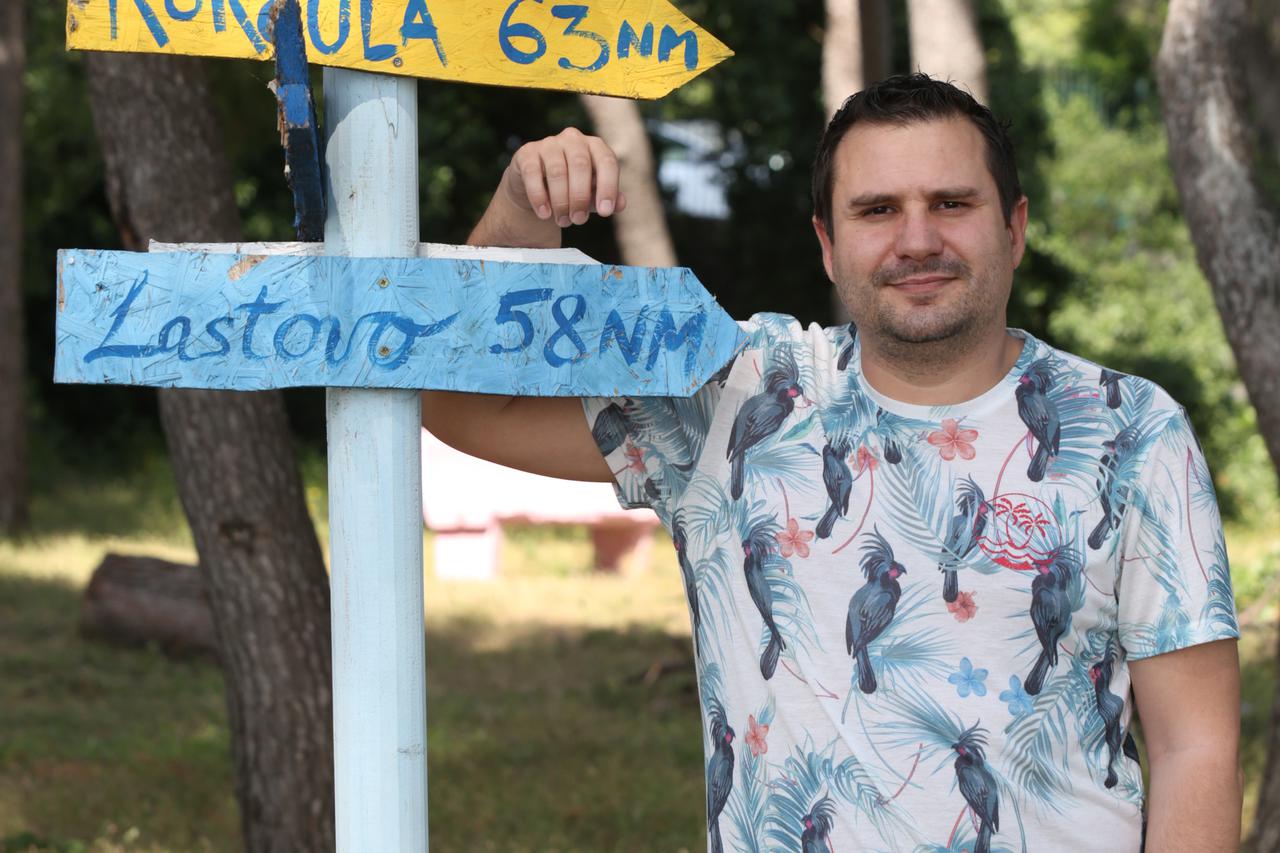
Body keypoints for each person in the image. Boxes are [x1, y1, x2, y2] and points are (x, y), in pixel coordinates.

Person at [422, 74, 1242, 852]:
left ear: (1014, 227)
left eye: (951, 203)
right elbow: (455, 401)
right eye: (877, 209)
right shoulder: (735, 395)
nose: (917, 239)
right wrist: (519, 216)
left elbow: (1194, 746)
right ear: (827, 242)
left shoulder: (1131, 429)